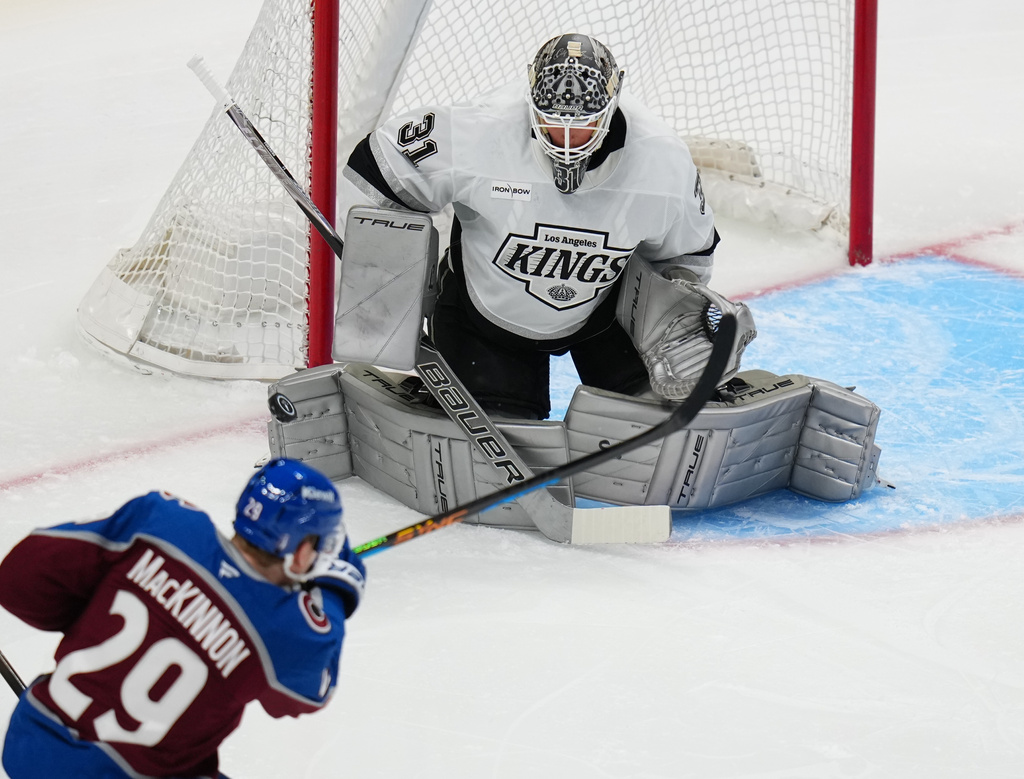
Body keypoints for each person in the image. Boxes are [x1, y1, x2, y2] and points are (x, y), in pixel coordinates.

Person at [344, 32, 755, 421]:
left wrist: (682, 319)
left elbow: (686, 259)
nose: (567, 139)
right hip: (484, 320)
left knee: (650, 428)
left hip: (605, 320)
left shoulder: (662, 162)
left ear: (613, 103)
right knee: (502, 432)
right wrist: (394, 300)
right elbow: (380, 174)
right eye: (553, 122)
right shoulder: (478, 131)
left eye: (583, 124)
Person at [0, 458, 366, 779]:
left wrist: (94, 622)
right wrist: (334, 594)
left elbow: (18, 581)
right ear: (301, 552)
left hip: (34, 741)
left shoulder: (164, 524)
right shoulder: (282, 628)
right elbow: (309, 693)